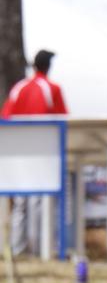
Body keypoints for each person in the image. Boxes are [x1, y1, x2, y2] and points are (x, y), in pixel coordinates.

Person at [2, 50, 69, 255]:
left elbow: (5, 117)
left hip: (20, 156)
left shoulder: (18, 88)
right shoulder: (52, 88)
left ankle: (17, 249)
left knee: (21, 202)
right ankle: (40, 250)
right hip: (44, 156)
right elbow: (63, 119)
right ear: (48, 66)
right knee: (41, 202)